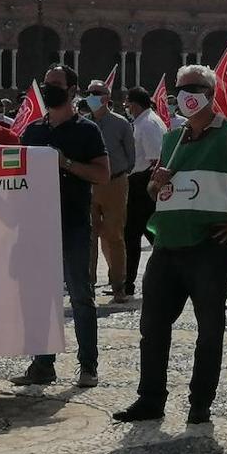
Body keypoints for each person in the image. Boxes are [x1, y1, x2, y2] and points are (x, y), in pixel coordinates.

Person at [112, 65, 227, 425]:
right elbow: (155, 191)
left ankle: (199, 403)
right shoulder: (173, 138)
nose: (186, 94)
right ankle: (150, 399)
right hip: (167, 246)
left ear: (211, 92)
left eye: (195, 88)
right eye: (181, 88)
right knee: (153, 326)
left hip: (209, 246)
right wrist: (156, 184)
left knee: (209, 329)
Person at [12, 65, 110, 388]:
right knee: (40, 295)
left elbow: (102, 174)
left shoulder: (87, 131)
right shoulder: (33, 131)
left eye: (55, 84)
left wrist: (65, 163)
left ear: (71, 91)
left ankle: (88, 365)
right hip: (38, 224)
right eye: (46, 84)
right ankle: (42, 364)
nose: (49, 88)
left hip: (73, 223)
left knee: (81, 294)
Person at [84, 79, 136, 303]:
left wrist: (120, 174)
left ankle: (118, 285)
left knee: (115, 235)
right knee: (89, 235)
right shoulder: (83, 124)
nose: (92, 96)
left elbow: (131, 156)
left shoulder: (121, 123)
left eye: (96, 93)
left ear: (106, 98)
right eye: (90, 93)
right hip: (89, 183)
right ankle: (88, 285)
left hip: (115, 182)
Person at [123, 87, 167, 298]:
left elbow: (154, 159)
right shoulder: (144, 121)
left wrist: (151, 187)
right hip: (139, 181)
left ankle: (128, 283)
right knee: (146, 232)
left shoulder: (147, 124)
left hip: (143, 182)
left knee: (134, 234)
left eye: (128, 103)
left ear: (136, 103)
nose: (127, 107)